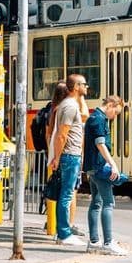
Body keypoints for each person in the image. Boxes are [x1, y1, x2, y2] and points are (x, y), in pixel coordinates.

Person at [84, 95, 127, 256]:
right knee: (108, 203)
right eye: (115, 112)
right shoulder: (99, 119)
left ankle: (94, 241)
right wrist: (113, 164)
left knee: (96, 203)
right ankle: (108, 242)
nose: (115, 116)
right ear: (110, 105)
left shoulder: (93, 118)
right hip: (100, 167)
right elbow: (100, 144)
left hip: (92, 167)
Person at [49, 74, 88, 247]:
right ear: (77, 86)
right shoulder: (70, 107)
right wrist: (57, 158)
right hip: (70, 155)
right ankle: (64, 233)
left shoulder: (69, 105)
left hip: (70, 155)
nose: (87, 87)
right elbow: (61, 135)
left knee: (65, 194)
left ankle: (62, 232)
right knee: (66, 195)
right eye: (84, 84)